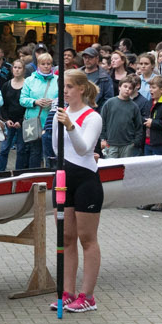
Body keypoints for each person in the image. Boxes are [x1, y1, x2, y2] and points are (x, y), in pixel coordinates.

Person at [56, 71, 106, 309]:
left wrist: (70, 126)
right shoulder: (61, 113)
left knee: (87, 238)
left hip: (86, 180)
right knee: (66, 237)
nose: (64, 91)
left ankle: (88, 296)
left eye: (69, 87)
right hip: (65, 178)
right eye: (63, 87)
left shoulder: (92, 116)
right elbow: (57, 148)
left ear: (81, 89)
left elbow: (84, 149)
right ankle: (68, 291)